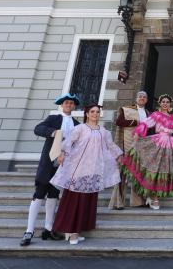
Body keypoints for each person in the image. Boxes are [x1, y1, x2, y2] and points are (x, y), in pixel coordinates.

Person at [51, 103, 123, 245]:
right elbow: (68, 142)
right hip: (79, 170)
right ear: (87, 114)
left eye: (97, 112)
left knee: (86, 202)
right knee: (74, 201)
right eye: (92, 111)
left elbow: (111, 146)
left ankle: (78, 230)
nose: (95, 114)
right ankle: (71, 232)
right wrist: (62, 154)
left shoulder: (104, 132)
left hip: (93, 172)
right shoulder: (80, 129)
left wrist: (120, 155)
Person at [20, 93, 80, 247]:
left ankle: (48, 228)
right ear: (62, 105)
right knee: (39, 194)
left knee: (54, 194)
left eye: (71, 103)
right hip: (49, 163)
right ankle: (29, 230)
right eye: (66, 102)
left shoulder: (77, 123)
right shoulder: (53, 118)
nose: (68, 105)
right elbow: (38, 128)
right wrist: (53, 132)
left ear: (74, 106)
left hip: (64, 165)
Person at [121, 94, 173, 209]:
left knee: (163, 171)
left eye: (167, 102)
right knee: (154, 170)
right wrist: (137, 134)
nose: (165, 103)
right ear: (160, 103)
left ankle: (153, 196)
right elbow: (145, 124)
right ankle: (153, 196)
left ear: (170, 104)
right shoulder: (156, 115)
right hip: (158, 143)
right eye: (163, 102)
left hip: (170, 145)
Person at [109, 90, 151, 210]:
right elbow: (119, 122)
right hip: (127, 144)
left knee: (139, 172)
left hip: (143, 146)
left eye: (144, 97)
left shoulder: (149, 113)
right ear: (136, 99)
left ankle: (138, 201)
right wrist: (136, 122)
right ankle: (118, 202)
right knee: (123, 172)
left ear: (147, 100)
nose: (142, 98)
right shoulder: (126, 109)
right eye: (140, 96)